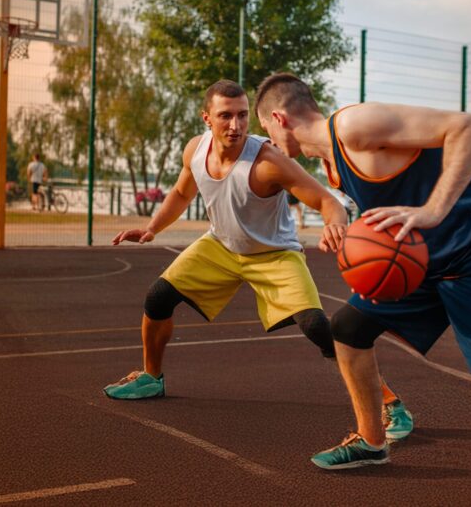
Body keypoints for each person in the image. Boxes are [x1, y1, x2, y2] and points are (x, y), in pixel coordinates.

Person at [254, 72, 471, 472]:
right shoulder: (333, 165)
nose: (270, 142)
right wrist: (345, 232)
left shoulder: (354, 125)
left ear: (278, 117)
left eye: (265, 130)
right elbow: (394, 207)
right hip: (431, 257)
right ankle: (372, 441)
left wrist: (433, 210)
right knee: (348, 329)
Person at [105, 79, 412, 442]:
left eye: (241, 116)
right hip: (221, 246)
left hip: (275, 254)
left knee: (317, 328)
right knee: (158, 298)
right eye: (224, 116)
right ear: (207, 118)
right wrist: (152, 228)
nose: (234, 126)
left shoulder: (269, 163)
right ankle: (151, 378)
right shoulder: (195, 151)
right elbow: (182, 191)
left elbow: (328, 202)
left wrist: (335, 224)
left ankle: (390, 403)